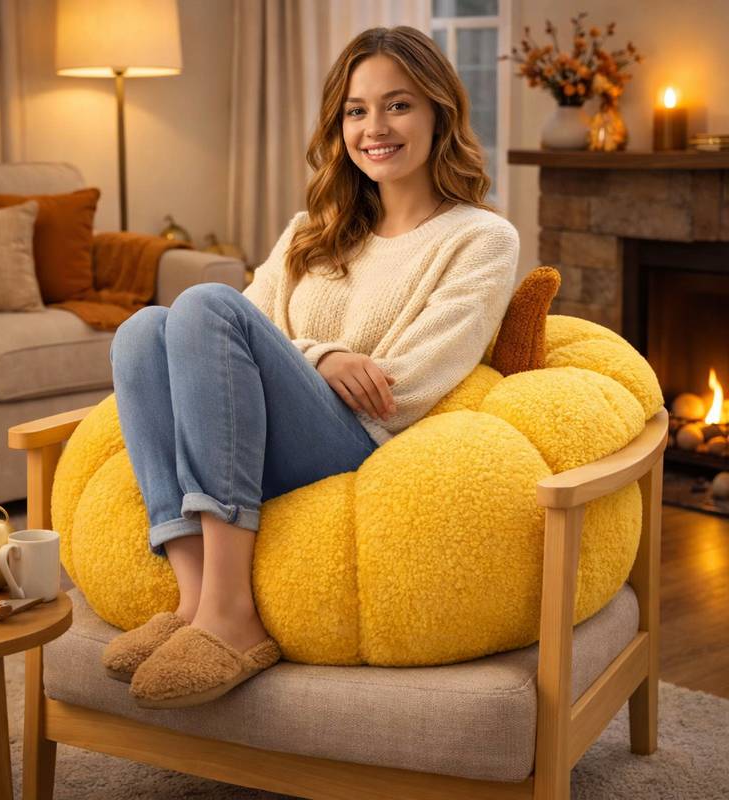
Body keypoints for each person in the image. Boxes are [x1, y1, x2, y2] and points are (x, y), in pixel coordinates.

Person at [102, 25, 520, 709]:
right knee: (142, 330)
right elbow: (229, 338)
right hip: (257, 429)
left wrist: (309, 363)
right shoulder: (311, 229)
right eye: (356, 110)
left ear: (440, 112)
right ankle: (193, 603)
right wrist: (321, 356)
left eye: (398, 105)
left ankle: (233, 616)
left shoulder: (480, 237)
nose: (374, 127)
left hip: (360, 439)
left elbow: (408, 383)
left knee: (202, 303)